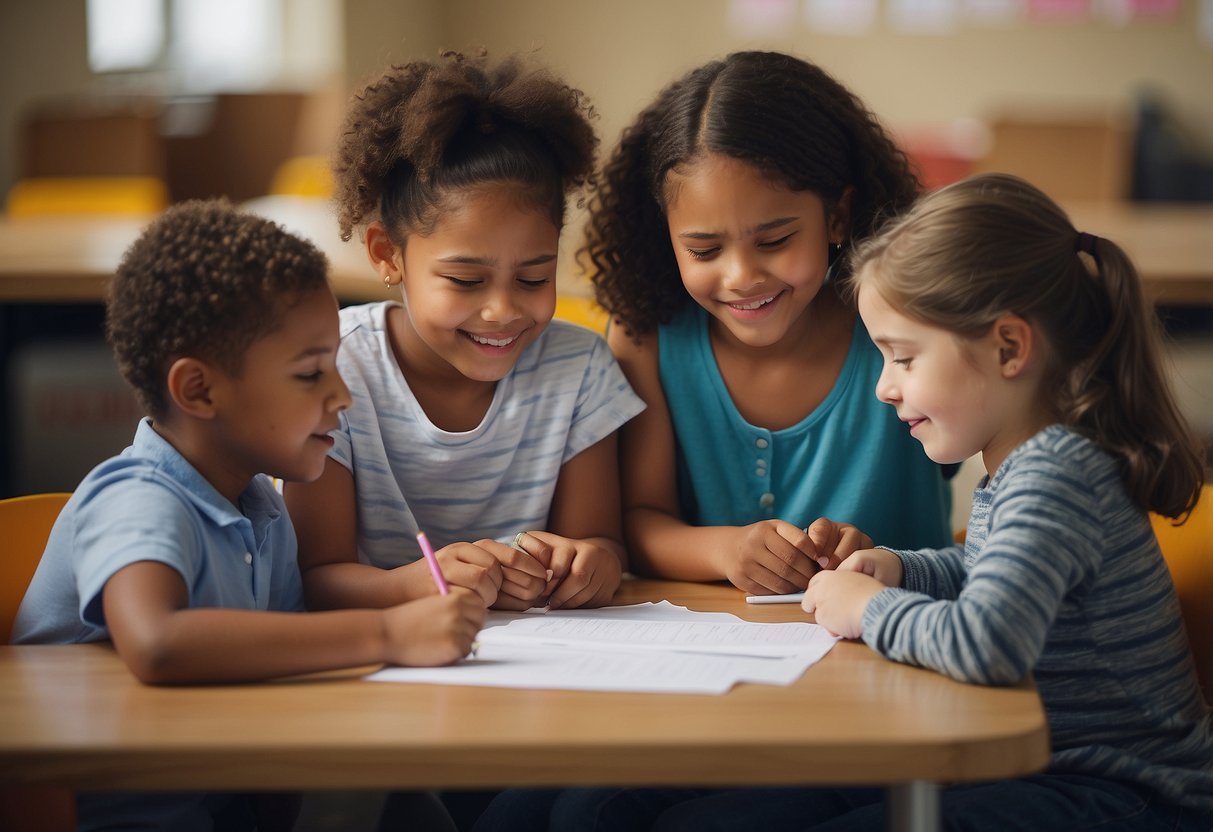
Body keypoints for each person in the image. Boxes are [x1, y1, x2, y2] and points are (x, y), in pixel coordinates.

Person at [546, 172, 1213, 831]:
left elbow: (986, 645)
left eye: (901, 358)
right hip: (1044, 771)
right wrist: (901, 568)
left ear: (1008, 346)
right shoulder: (1026, 464)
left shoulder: (1053, 474)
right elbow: (994, 575)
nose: (884, 388)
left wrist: (870, 609)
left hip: (1122, 791)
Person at [11, 200, 485, 832]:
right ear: (199, 390)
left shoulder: (261, 504)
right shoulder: (136, 496)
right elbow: (158, 644)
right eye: (310, 374)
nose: (341, 396)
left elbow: (276, 670)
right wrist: (389, 634)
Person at [283, 51, 644, 617]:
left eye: (534, 276)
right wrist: (427, 582)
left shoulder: (579, 372)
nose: (502, 310)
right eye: (465, 279)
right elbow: (313, 579)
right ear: (388, 255)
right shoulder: (334, 373)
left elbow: (599, 546)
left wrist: (591, 565)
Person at [582, 50, 952, 599]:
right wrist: (727, 550)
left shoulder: (910, 320)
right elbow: (638, 521)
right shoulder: (647, 333)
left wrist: (885, 560)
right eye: (704, 250)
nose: (741, 277)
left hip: (902, 636)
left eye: (774, 241)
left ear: (838, 216)